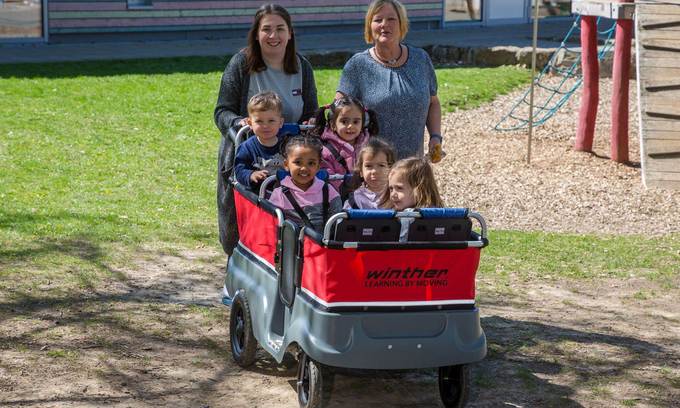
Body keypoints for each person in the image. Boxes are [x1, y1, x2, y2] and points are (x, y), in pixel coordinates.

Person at [214, 4, 318, 255]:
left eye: (280, 29)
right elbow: (222, 112)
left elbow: (310, 113)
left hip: (288, 161)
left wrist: (313, 124)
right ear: (257, 34)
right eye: (267, 29)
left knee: (290, 222)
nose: (274, 36)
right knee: (239, 226)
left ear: (290, 33)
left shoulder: (302, 67)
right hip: (248, 155)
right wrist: (239, 123)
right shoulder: (242, 64)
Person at [336, 0, 442, 160]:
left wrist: (435, 137)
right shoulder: (358, 65)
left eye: (391, 19)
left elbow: (433, 102)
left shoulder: (420, 59)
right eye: (378, 20)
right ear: (369, 26)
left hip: (412, 166)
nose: (384, 24)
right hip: (373, 169)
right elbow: (338, 111)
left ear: (402, 24)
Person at [269, 135, 343, 232]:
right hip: (294, 245)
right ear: (286, 165)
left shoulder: (328, 191)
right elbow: (272, 226)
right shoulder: (279, 195)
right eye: (298, 162)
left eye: (311, 163)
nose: (304, 168)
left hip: (322, 244)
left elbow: (337, 224)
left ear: (318, 166)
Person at [311, 95, 379, 193]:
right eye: (344, 121)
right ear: (333, 125)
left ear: (362, 124)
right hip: (338, 199)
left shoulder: (370, 145)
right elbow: (327, 180)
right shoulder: (325, 151)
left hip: (369, 195)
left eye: (356, 122)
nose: (350, 126)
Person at [379, 157, 443, 241]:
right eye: (391, 189)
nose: (393, 195)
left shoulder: (415, 216)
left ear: (420, 189)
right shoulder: (393, 213)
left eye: (399, 188)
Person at [234, 92, 285, 191]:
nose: (265, 126)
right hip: (259, 193)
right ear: (250, 123)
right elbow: (239, 170)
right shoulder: (247, 147)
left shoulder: (287, 145)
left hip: (287, 192)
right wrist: (251, 175)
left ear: (280, 122)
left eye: (271, 121)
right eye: (259, 121)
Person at [344, 137, 396, 209]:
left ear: (390, 169)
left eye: (381, 165)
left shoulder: (397, 195)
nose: (374, 171)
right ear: (361, 171)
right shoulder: (355, 199)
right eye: (369, 166)